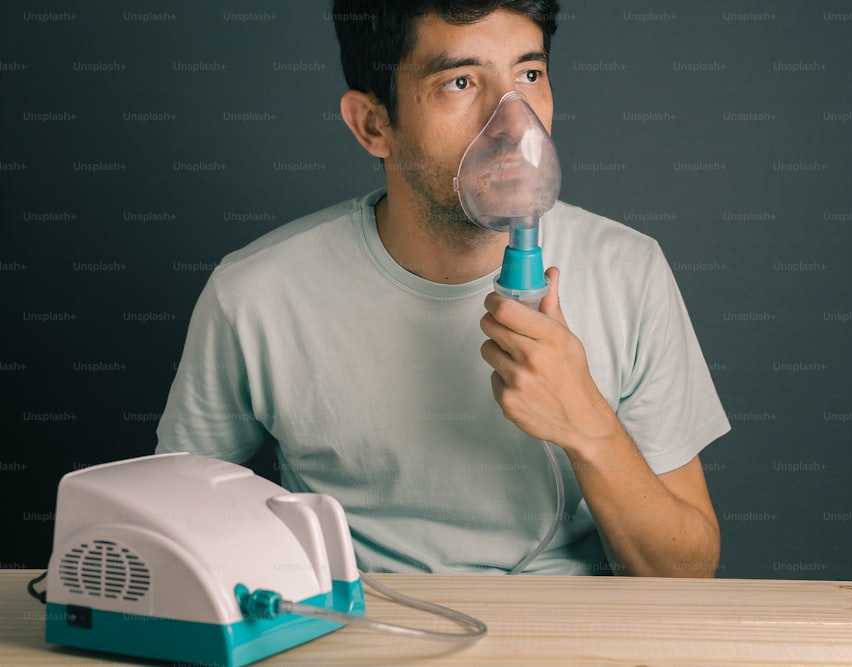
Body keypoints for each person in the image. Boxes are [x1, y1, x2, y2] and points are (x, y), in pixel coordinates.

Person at [155, 0, 731, 577]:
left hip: (570, 634)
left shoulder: (628, 270)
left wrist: (588, 425)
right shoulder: (256, 295)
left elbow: (684, 574)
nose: (512, 124)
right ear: (373, 125)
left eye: (529, 75)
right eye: (460, 82)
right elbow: (172, 527)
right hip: (365, 627)